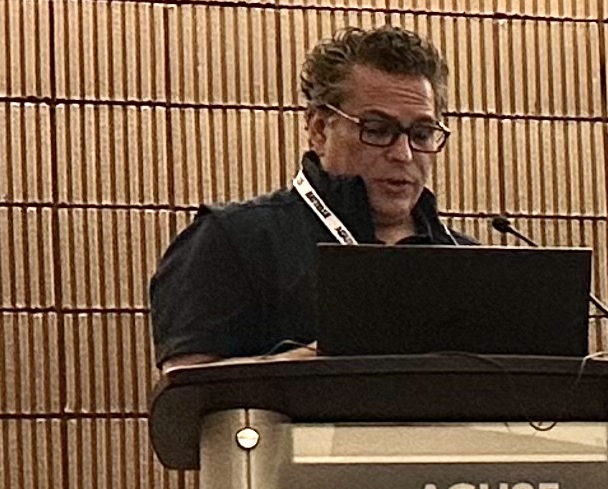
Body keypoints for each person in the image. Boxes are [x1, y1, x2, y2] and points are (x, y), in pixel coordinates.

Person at [149, 24, 464, 368]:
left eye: (422, 134)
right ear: (318, 129)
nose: (403, 154)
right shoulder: (234, 241)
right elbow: (190, 388)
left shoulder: (470, 261)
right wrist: (324, 358)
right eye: (377, 130)